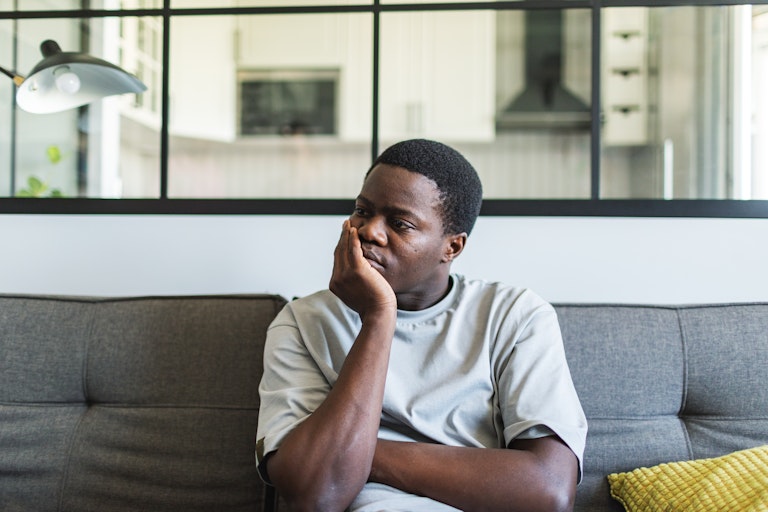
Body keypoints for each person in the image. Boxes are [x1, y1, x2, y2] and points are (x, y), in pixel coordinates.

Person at [256, 139, 587, 512]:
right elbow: (317, 495)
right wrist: (379, 317)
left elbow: (550, 490)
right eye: (362, 211)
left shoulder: (515, 316)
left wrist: (355, 455)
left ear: (453, 248)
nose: (369, 232)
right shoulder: (303, 323)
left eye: (400, 223)